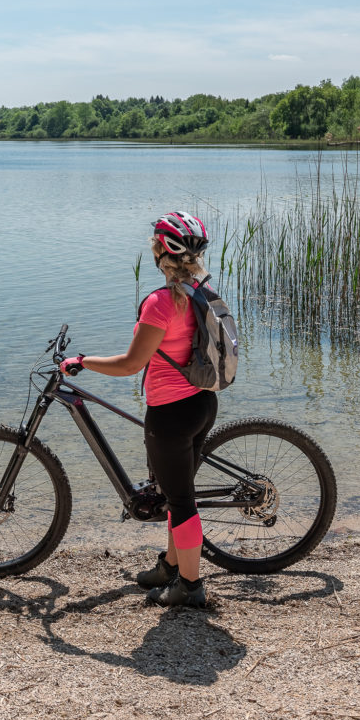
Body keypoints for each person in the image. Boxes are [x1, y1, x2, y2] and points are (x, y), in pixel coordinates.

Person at [60, 211, 218, 608]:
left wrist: (85, 360)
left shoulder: (160, 303)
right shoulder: (203, 294)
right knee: (175, 492)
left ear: (158, 253)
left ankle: (190, 586)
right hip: (203, 402)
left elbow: (131, 365)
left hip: (170, 414)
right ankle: (170, 565)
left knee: (181, 502)